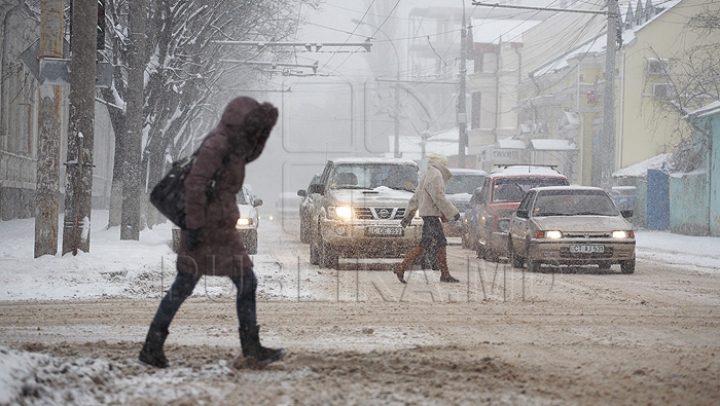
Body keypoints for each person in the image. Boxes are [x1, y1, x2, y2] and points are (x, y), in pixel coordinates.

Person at [139, 96, 285, 368]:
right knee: (191, 285)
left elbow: (251, 152)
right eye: (251, 124)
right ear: (239, 121)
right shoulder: (217, 143)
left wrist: (264, 128)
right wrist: (193, 226)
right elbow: (195, 183)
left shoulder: (234, 145)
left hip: (220, 226)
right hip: (206, 227)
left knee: (219, 284)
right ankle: (153, 346)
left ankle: (153, 346)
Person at [394, 153, 460, 284]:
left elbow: (416, 197)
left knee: (437, 243)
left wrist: (408, 215)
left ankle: (444, 274)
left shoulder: (427, 174)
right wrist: (453, 212)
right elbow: (438, 197)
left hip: (428, 215)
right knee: (428, 244)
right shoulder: (436, 175)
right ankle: (401, 268)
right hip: (432, 216)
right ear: (441, 164)